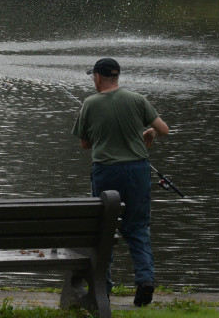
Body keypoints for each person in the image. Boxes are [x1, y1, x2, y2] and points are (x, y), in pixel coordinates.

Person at [71, 58, 169, 307]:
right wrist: (150, 132)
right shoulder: (137, 99)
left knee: (105, 229)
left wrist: (104, 135)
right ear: (116, 76)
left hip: (106, 172)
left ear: (98, 77)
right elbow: (163, 129)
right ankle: (145, 281)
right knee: (137, 227)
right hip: (137, 171)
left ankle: (104, 287)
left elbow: (84, 144)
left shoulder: (90, 104)